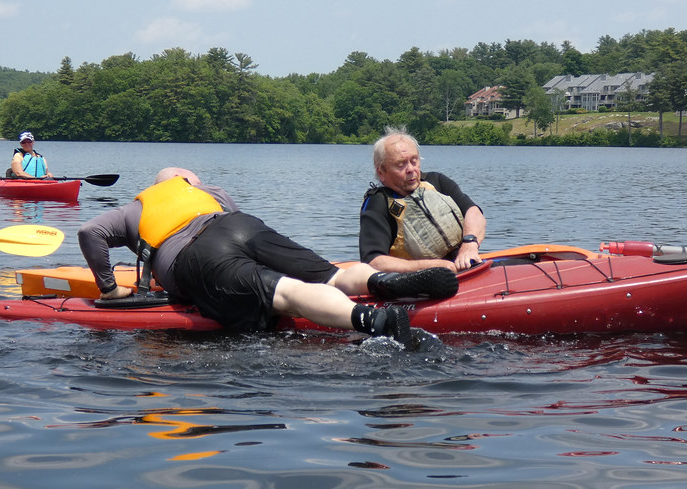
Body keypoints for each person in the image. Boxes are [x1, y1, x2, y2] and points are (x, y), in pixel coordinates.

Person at [77, 167, 460, 346]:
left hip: (196, 254)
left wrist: (109, 289)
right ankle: (382, 283)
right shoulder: (209, 191)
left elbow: (88, 232)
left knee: (286, 293)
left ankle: (378, 320)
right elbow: (233, 224)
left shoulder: (135, 207)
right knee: (330, 274)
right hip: (244, 226)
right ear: (189, 182)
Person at [360, 126, 486, 273]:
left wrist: (469, 244)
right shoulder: (378, 203)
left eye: (414, 161)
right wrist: (430, 267)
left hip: (465, 264)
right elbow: (373, 261)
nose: (411, 169)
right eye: (401, 165)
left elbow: (473, 211)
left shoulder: (437, 181)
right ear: (381, 172)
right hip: (423, 280)